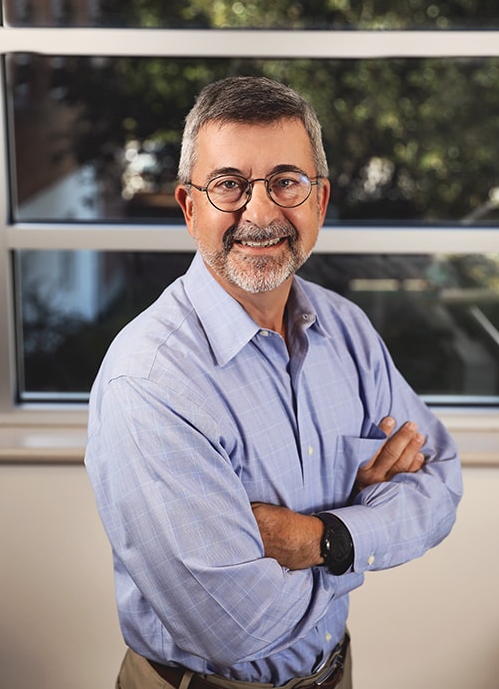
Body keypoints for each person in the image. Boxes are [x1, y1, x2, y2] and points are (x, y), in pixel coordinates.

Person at [85, 76, 463, 689]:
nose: (260, 213)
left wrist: (323, 537)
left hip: (335, 672)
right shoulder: (150, 382)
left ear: (318, 200)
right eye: (228, 185)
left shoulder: (347, 329)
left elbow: (441, 487)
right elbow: (230, 627)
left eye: (286, 181)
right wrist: (368, 526)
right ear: (189, 207)